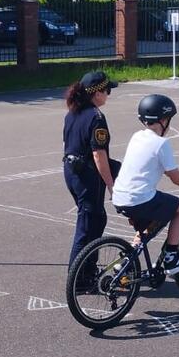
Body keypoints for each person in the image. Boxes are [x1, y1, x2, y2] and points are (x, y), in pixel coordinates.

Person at [112, 94, 179, 275]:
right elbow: (176, 179)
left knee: (150, 223)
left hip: (120, 196)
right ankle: (171, 257)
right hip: (138, 198)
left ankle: (126, 263)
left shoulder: (137, 136)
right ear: (163, 120)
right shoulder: (161, 143)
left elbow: (160, 169)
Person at [62, 70, 121, 274]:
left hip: (71, 171)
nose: (108, 95)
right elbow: (99, 155)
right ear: (97, 93)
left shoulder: (73, 112)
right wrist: (112, 185)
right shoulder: (96, 117)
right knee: (88, 225)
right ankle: (80, 278)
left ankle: (87, 270)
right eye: (107, 91)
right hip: (87, 176)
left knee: (96, 218)